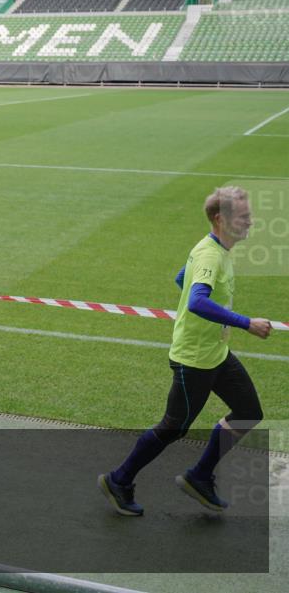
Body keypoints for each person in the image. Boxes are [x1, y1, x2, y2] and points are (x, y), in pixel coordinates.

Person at [100, 186, 271, 516]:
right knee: (174, 427)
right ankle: (118, 480)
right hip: (194, 360)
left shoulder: (216, 249)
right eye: (243, 216)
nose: (250, 221)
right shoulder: (210, 255)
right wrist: (246, 323)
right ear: (220, 219)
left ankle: (200, 476)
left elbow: (183, 278)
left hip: (215, 353)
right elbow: (196, 301)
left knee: (248, 411)